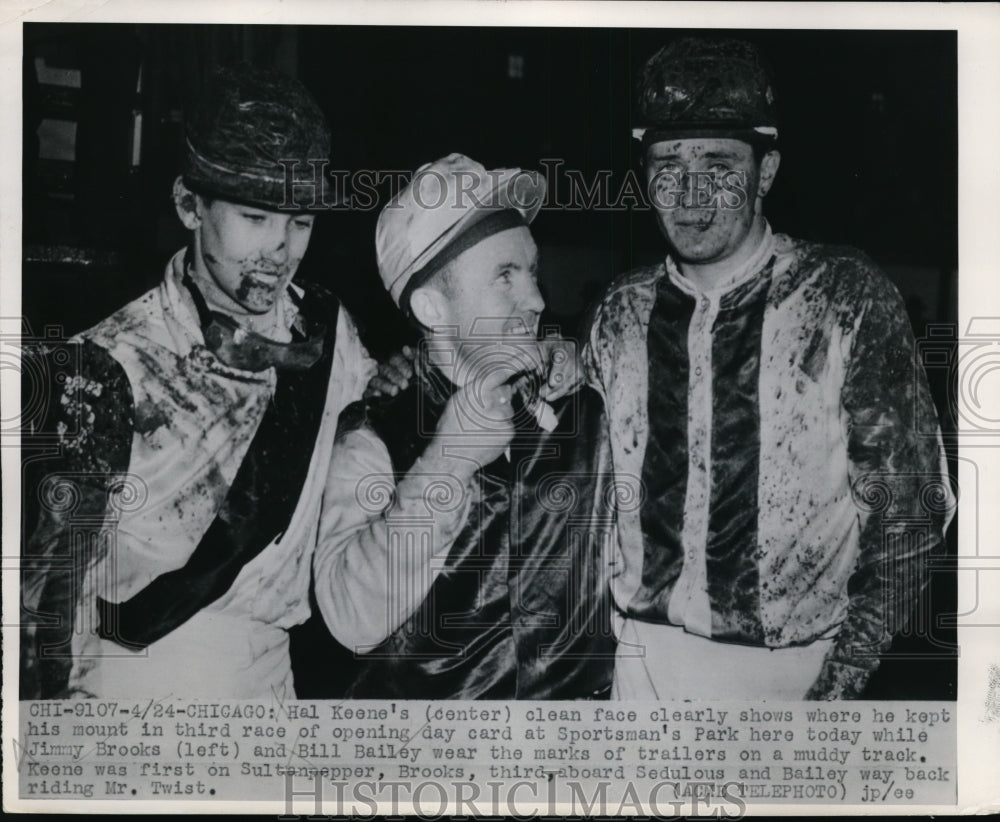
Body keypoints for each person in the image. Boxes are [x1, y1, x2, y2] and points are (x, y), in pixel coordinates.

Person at [583, 37, 955, 699]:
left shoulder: (843, 295)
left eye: (719, 162)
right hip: (637, 668)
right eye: (668, 160)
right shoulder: (619, 312)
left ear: (766, 171)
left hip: (792, 675)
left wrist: (844, 674)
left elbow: (911, 511)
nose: (690, 189)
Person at [20, 65, 375, 699]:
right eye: (255, 218)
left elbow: (364, 427)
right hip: (139, 684)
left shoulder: (329, 335)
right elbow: (50, 593)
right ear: (189, 204)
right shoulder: (106, 363)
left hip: (274, 681)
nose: (280, 248)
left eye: (301, 223)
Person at [312, 153, 616, 699]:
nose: (539, 301)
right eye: (505, 276)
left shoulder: (577, 408)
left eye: (533, 271)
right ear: (432, 307)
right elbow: (350, 616)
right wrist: (447, 462)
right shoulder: (375, 436)